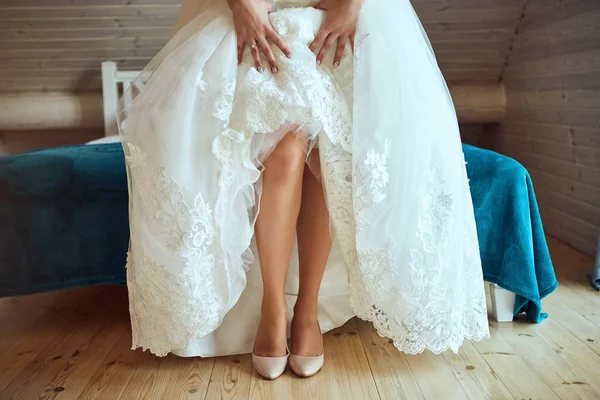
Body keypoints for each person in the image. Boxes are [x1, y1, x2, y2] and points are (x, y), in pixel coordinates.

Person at [118, 0, 490, 380]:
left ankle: (307, 311)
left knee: (329, 146)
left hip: (336, 11)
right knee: (284, 149)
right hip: (261, 11)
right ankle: (274, 308)